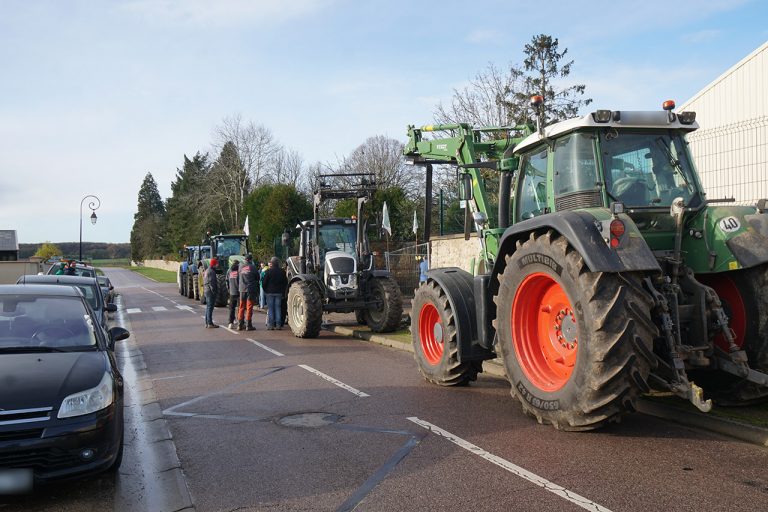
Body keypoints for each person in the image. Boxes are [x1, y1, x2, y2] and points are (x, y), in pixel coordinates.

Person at [262, 256, 288, 330]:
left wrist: (266, 290)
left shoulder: (268, 271)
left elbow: (264, 283)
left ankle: (271, 325)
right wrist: (283, 292)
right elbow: (285, 283)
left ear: (272, 263)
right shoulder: (282, 272)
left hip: (269, 292)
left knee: (271, 309)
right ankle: (278, 325)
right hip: (279, 293)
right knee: (278, 308)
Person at [236, 254, 258, 331]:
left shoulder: (240, 267)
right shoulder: (253, 267)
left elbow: (237, 278)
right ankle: (248, 325)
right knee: (249, 307)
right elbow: (257, 278)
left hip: (242, 290)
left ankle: (239, 324)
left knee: (241, 307)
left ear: (245, 259)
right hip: (250, 290)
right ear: (251, 260)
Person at [203, 258, 219, 328]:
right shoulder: (211, 272)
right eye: (216, 264)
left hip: (206, 290)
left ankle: (207, 322)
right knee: (210, 307)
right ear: (214, 264)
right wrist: (214, 292)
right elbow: (212, 283)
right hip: (210, 291)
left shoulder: (207, 270)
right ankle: (210, 323)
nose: (217, 265)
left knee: (208, 307)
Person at [226, 260, 240, 329]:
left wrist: (228, 289)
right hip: (239, 291)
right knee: (240, 307)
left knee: (231, 308)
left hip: (232, 292)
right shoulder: (239, 271)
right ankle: (240, 321)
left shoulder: (229, 271)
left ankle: (230, 322)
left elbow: (227, 281)